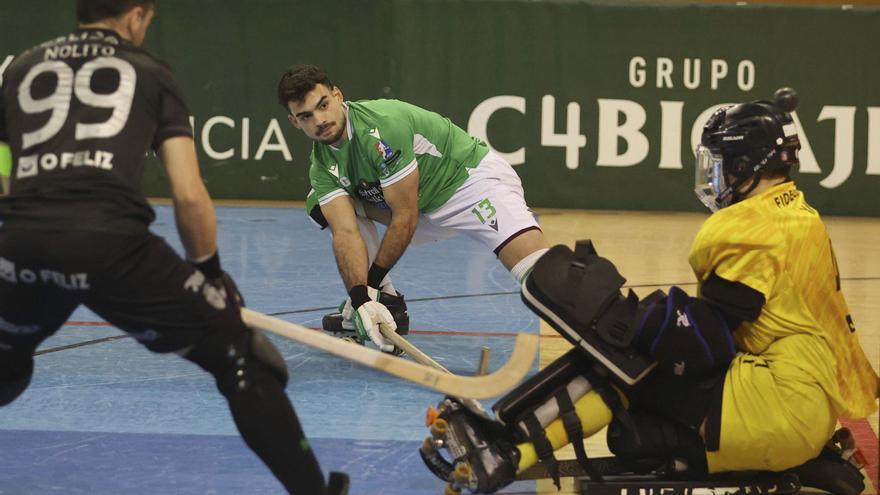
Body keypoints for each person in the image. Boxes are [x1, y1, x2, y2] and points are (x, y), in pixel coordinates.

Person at [419, 88, 879, 493]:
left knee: (622, 357)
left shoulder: (750, 226)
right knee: (633, 370)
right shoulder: (797, 213)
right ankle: (507, 438)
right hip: (804, 404)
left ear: (744, 166)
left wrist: (636, 319)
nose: (713, 177)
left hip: (776, 407)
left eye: (719, 165)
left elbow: (710, 343)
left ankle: (507, 451)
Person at [0, 2, 347, 494]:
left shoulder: (22, 67)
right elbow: (188, 194)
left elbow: (2, 178)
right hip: (113, 247)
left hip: (24, 242)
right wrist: (210, 274)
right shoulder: (150, 72)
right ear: (138, 15)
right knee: (246, 360)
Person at [278, 64, 550, 351]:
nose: (320, 120)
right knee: (319, 205)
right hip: (416, 209)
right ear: (294, 122)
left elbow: (405, 217)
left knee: (543, 279)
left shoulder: (382, 127)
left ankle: (595, 337)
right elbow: (346, 232)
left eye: (323, 105)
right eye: (306, 116)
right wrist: (361, 299)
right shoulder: (322, 166)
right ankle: (389, 304)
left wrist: (368, 287)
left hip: (468, 185)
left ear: (337, 96)